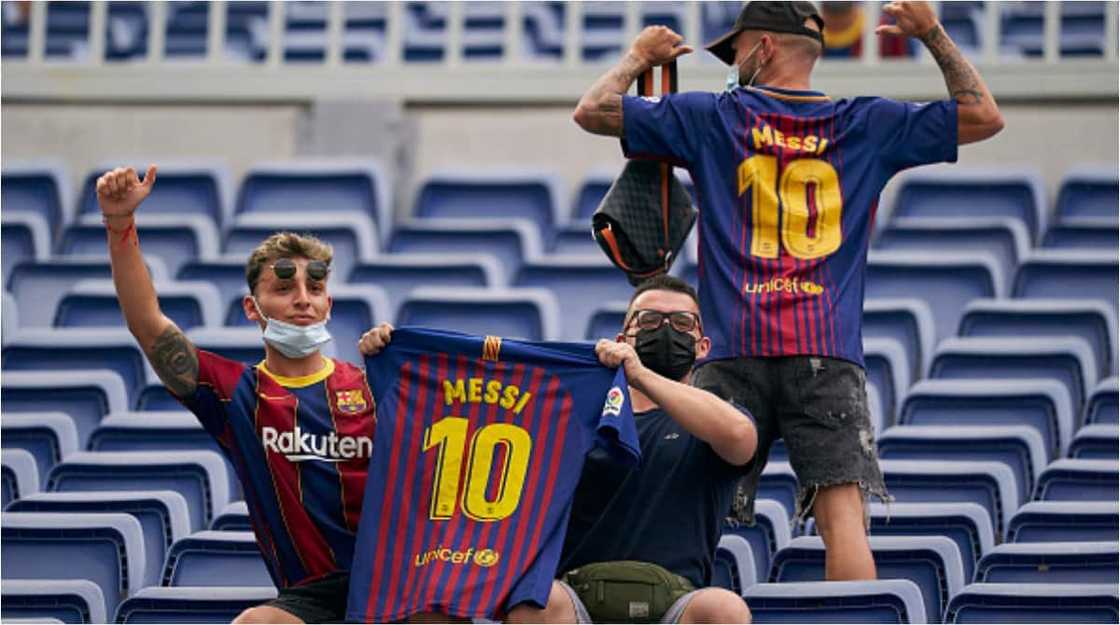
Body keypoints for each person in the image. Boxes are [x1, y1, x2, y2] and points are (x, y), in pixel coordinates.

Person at [572, 0, 1003, 581]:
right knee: (841, 518)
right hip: (824, 349)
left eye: (738, 50)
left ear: (765, 48)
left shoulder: (713, 118)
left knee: (690, 504)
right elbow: (982, 116)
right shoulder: (865, 124)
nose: (734, 63)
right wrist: (932, 34)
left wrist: (638, 57)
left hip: (731, 347)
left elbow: (593, 111)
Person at [97, 164, 394, 623]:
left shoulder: (372, 385)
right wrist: (120, 225)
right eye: (284, 288)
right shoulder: (235, 392)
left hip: (394, 581)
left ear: (328, 305)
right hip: (313, 596)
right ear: (253, 309)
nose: (303, 299)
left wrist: (394, 354)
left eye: (315, 288)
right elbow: (149, 327)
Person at [505, 275, 757, 624]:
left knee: (725, 609)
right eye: (650, 320)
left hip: (677, 603)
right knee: (534, 600)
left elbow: (741, 437)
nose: (666, 330)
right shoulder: (578, 417)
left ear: (702, 346)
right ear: (623, 339)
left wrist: (639, 375)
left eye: (682, 323)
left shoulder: (713, 420)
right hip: (576, 595)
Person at [820, 1, 911, 59]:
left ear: (854, 8)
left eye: (843, 12)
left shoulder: (886, 32)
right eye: (832, 13)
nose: (838, 19)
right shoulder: (809, 35)